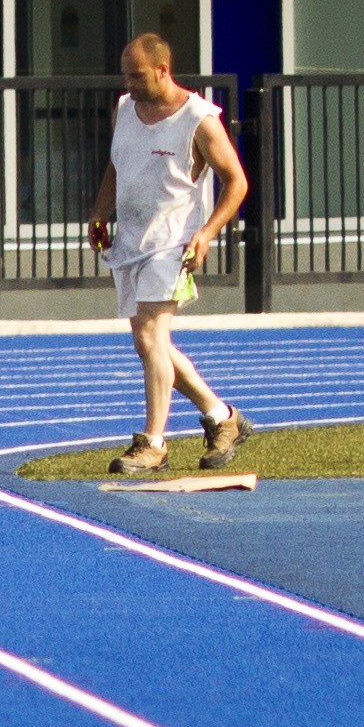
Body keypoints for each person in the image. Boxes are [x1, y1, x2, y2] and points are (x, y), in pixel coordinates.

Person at [90, 30, 249, 475]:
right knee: (152, 346)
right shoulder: (125, 110)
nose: (130, 84)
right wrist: (101, 213)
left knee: (149, 339)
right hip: (130, 243)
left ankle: (153, 443)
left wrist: (208, 232)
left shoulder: (198, 117)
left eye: (137, 76)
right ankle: (223, 418)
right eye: (125, 76)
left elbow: (236, 180)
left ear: (163, 70)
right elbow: (117, 166)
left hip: (174, 244)